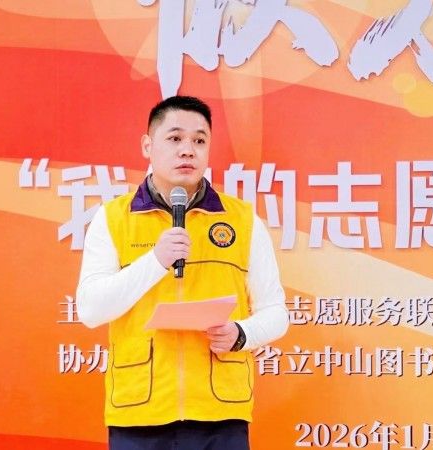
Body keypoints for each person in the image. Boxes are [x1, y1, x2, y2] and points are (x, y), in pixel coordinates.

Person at [76, 95, 288, 450]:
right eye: (175, 138)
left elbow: (276, 312)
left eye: (199, 141)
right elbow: (90, 310)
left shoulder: (242, 220)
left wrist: (242, 333)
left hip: (220, 412)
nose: (187, 150)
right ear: (148, 145)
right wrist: (155, 261)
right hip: (140, 410)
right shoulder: (113, 218)